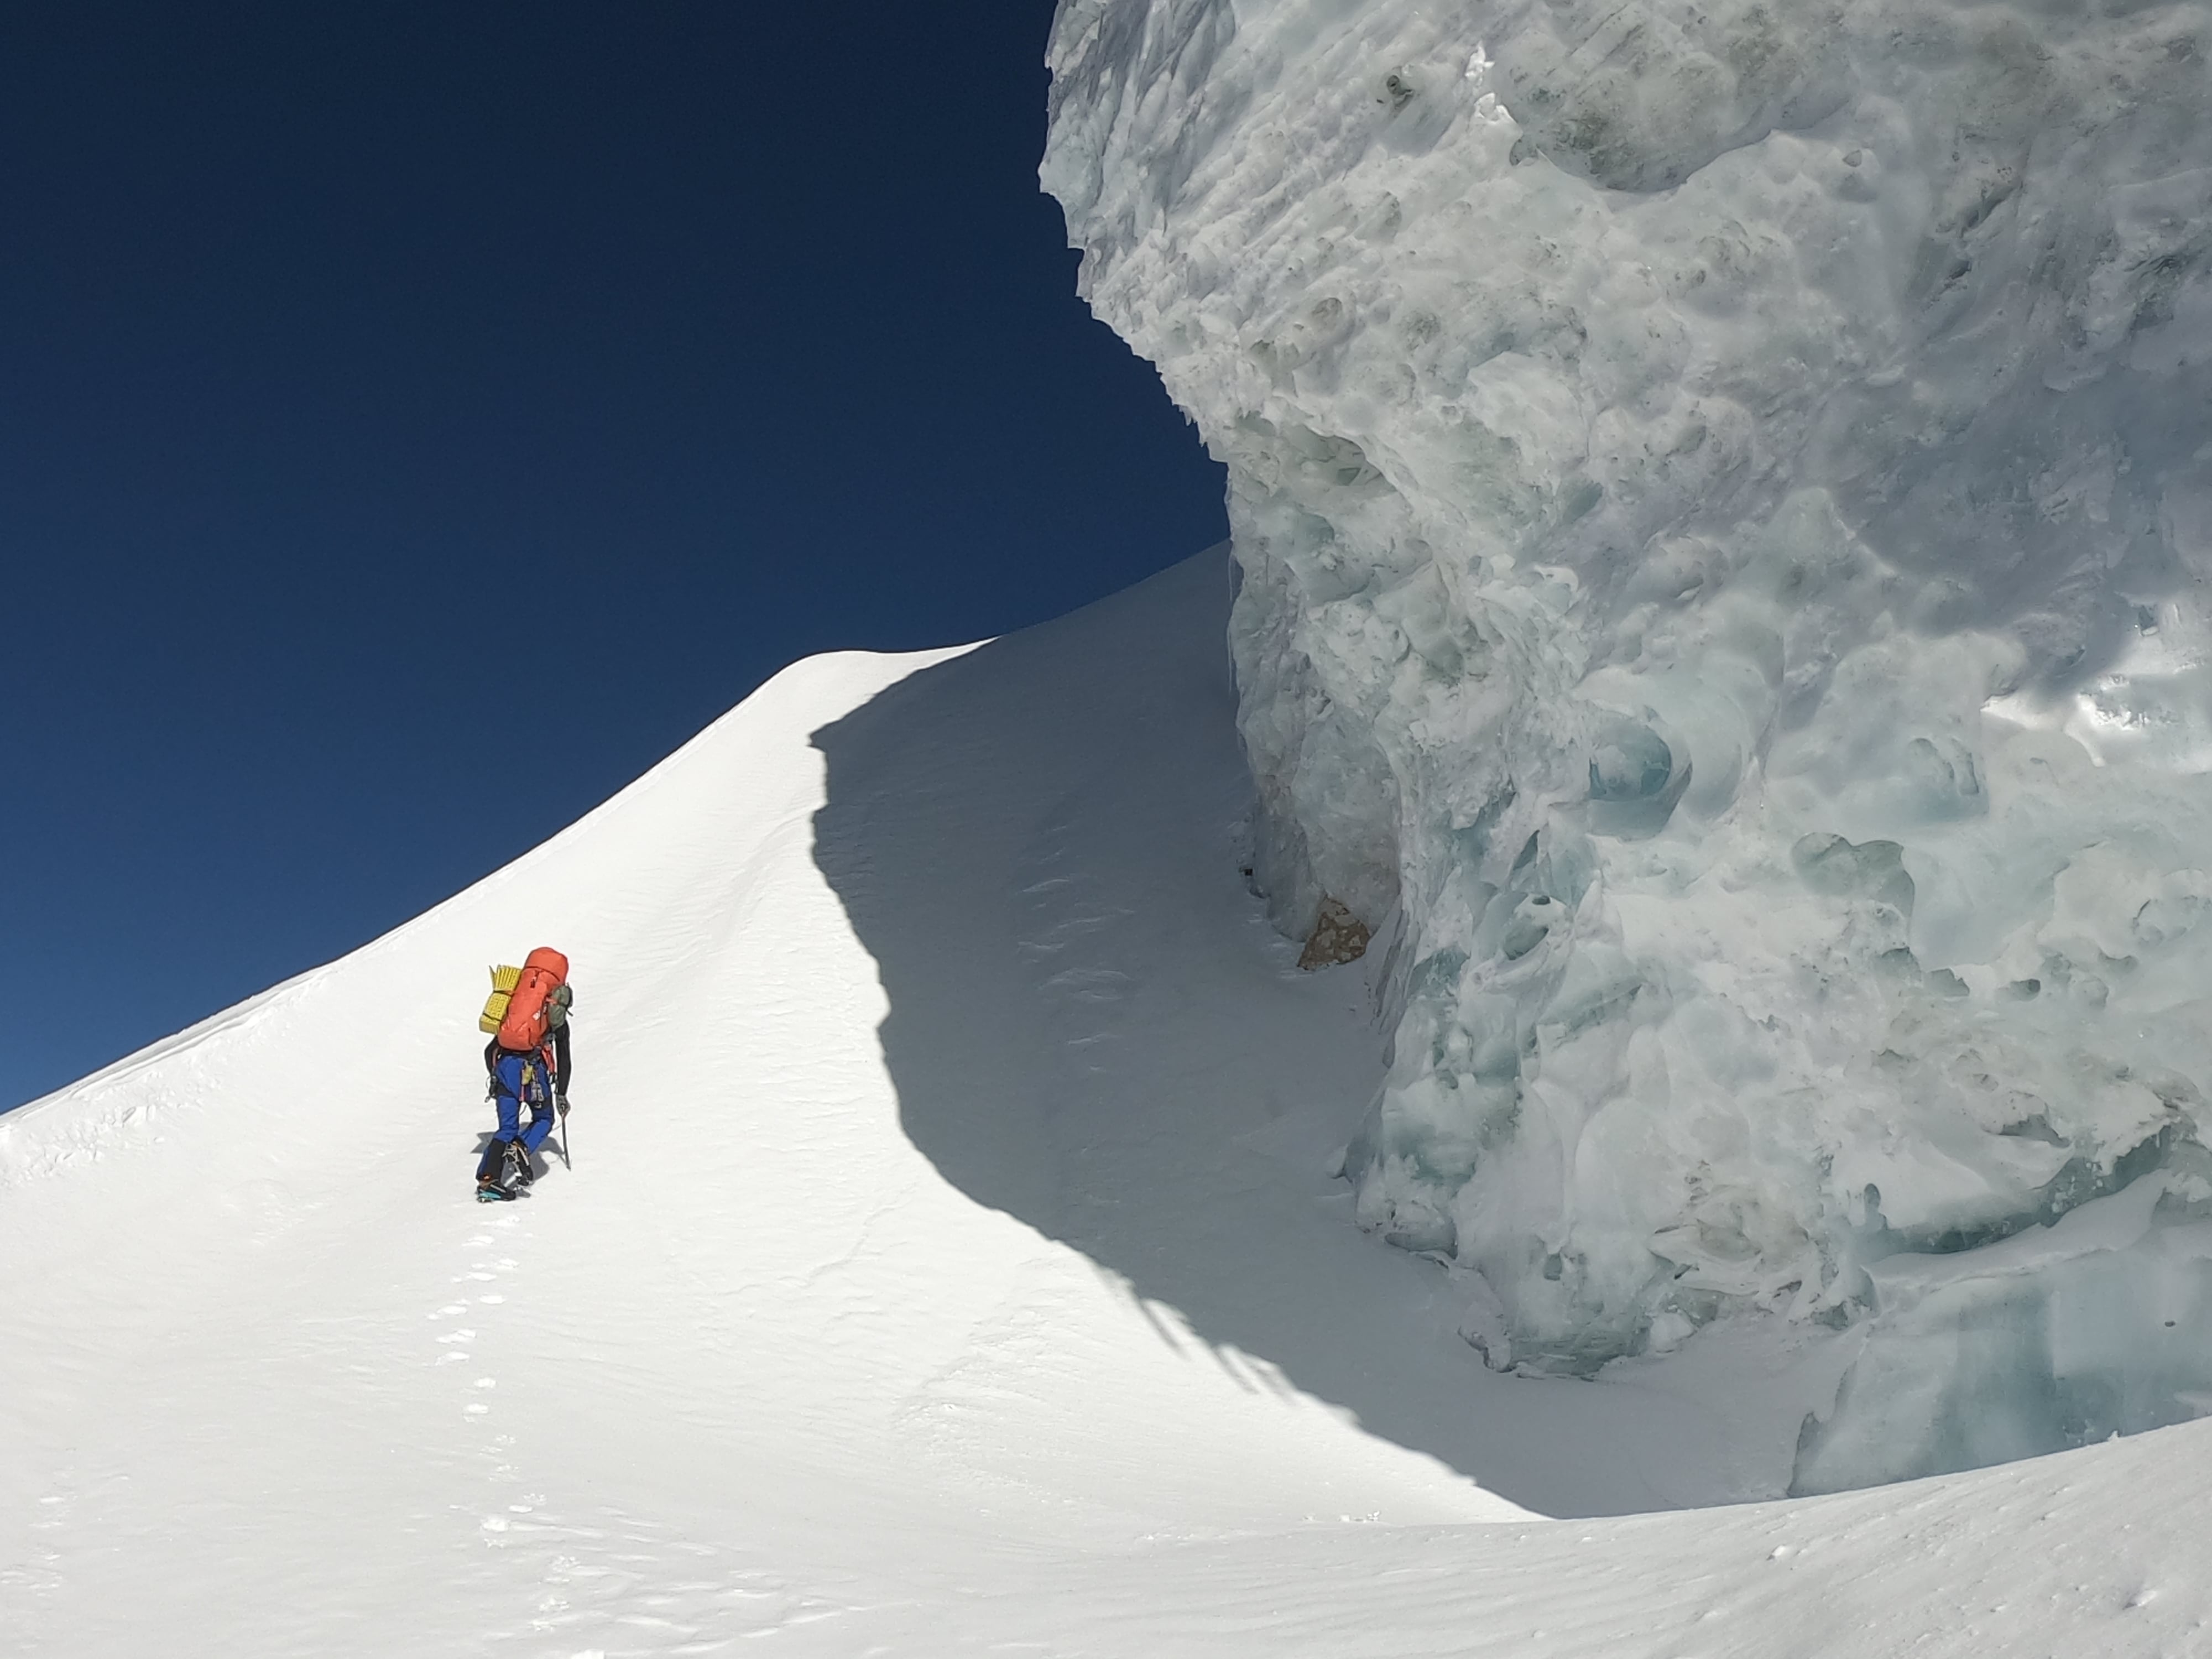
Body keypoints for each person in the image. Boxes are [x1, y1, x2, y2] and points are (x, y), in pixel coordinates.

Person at [476, 982, 572, 1197]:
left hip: (505, 1071)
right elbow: (564, 1059)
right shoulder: (556, 1022)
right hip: (534, 1074)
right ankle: (522, 1147)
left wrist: (496, 1078)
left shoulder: (516, 1016)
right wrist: (561, 1093)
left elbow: (489, 1051)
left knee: (507, 1129)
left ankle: (488, 1182)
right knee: (544, 1119)